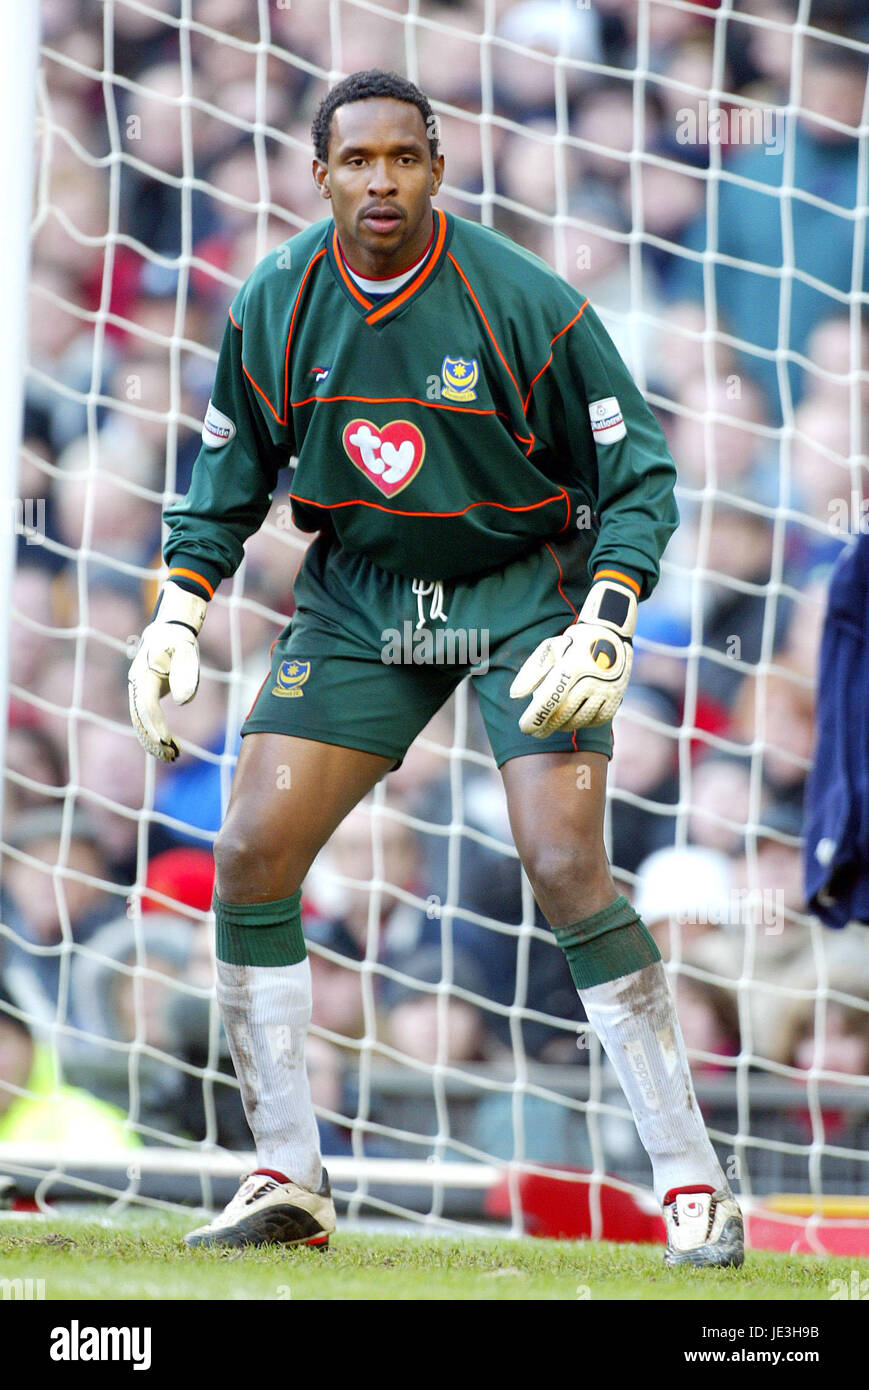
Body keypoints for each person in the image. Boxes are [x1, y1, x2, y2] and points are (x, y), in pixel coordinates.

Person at [128, 69, 743, 1267]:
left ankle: (689, 1184)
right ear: (321, 176)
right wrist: (175, 617)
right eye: (355, 161)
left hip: (525, 593)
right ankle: (288, 1177)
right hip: (364, 600)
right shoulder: (274, 303)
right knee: (249, 848)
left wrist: (608, 615)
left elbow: (641, 478)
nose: (379, 181)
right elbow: (222, 488)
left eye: (401, 159)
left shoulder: (523, 300)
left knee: (563, 859)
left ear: (437, 167)